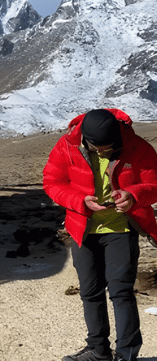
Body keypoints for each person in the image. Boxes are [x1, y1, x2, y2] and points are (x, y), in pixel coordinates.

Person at [44, 109, 157, 361]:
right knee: (90, 291)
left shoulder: (137, 147)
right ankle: (98, 351)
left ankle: (127, 354)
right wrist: (80, 202)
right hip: (82, 228)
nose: (103, 153)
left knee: (121, 291)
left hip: (121, 228)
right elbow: (52, 182)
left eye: (109, 148)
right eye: (98, 149)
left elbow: (155, 184)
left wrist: (134, 195)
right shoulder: (66, 146)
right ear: (85, 139)